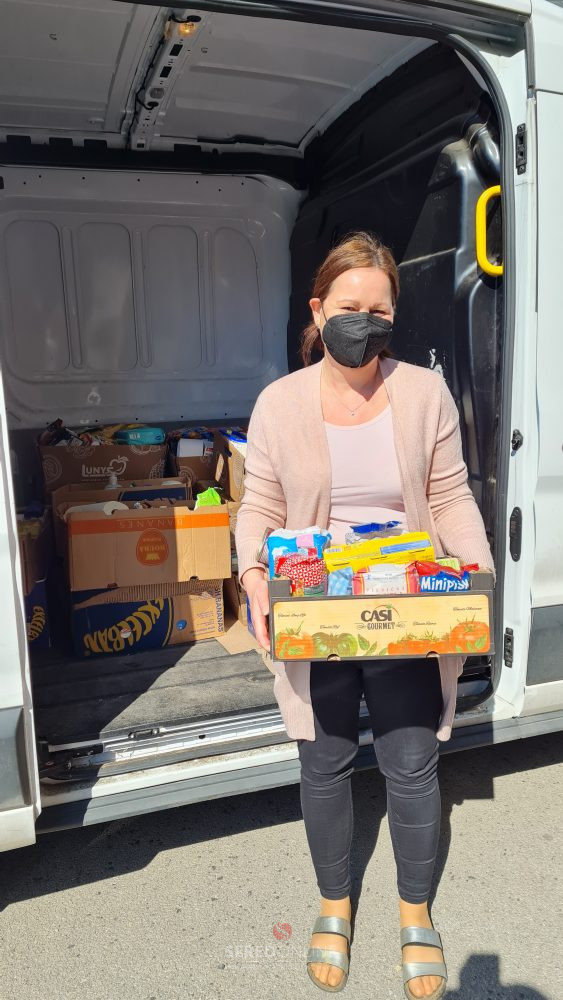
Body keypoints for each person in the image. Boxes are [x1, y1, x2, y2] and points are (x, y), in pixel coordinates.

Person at [235, 231, 494, 998]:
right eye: (349, 308)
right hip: (314, 609)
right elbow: (259, 505)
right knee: (323, 763)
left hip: (403, 608)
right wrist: (252, 574)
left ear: (393, 316)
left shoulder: (422, 393)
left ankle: (414, 912)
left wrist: (476, 574)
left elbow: (447, 494)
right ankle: (334, 904)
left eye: (378, 312)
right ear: (319, 310)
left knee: (411, 763)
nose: (363, 323)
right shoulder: (280, 404)